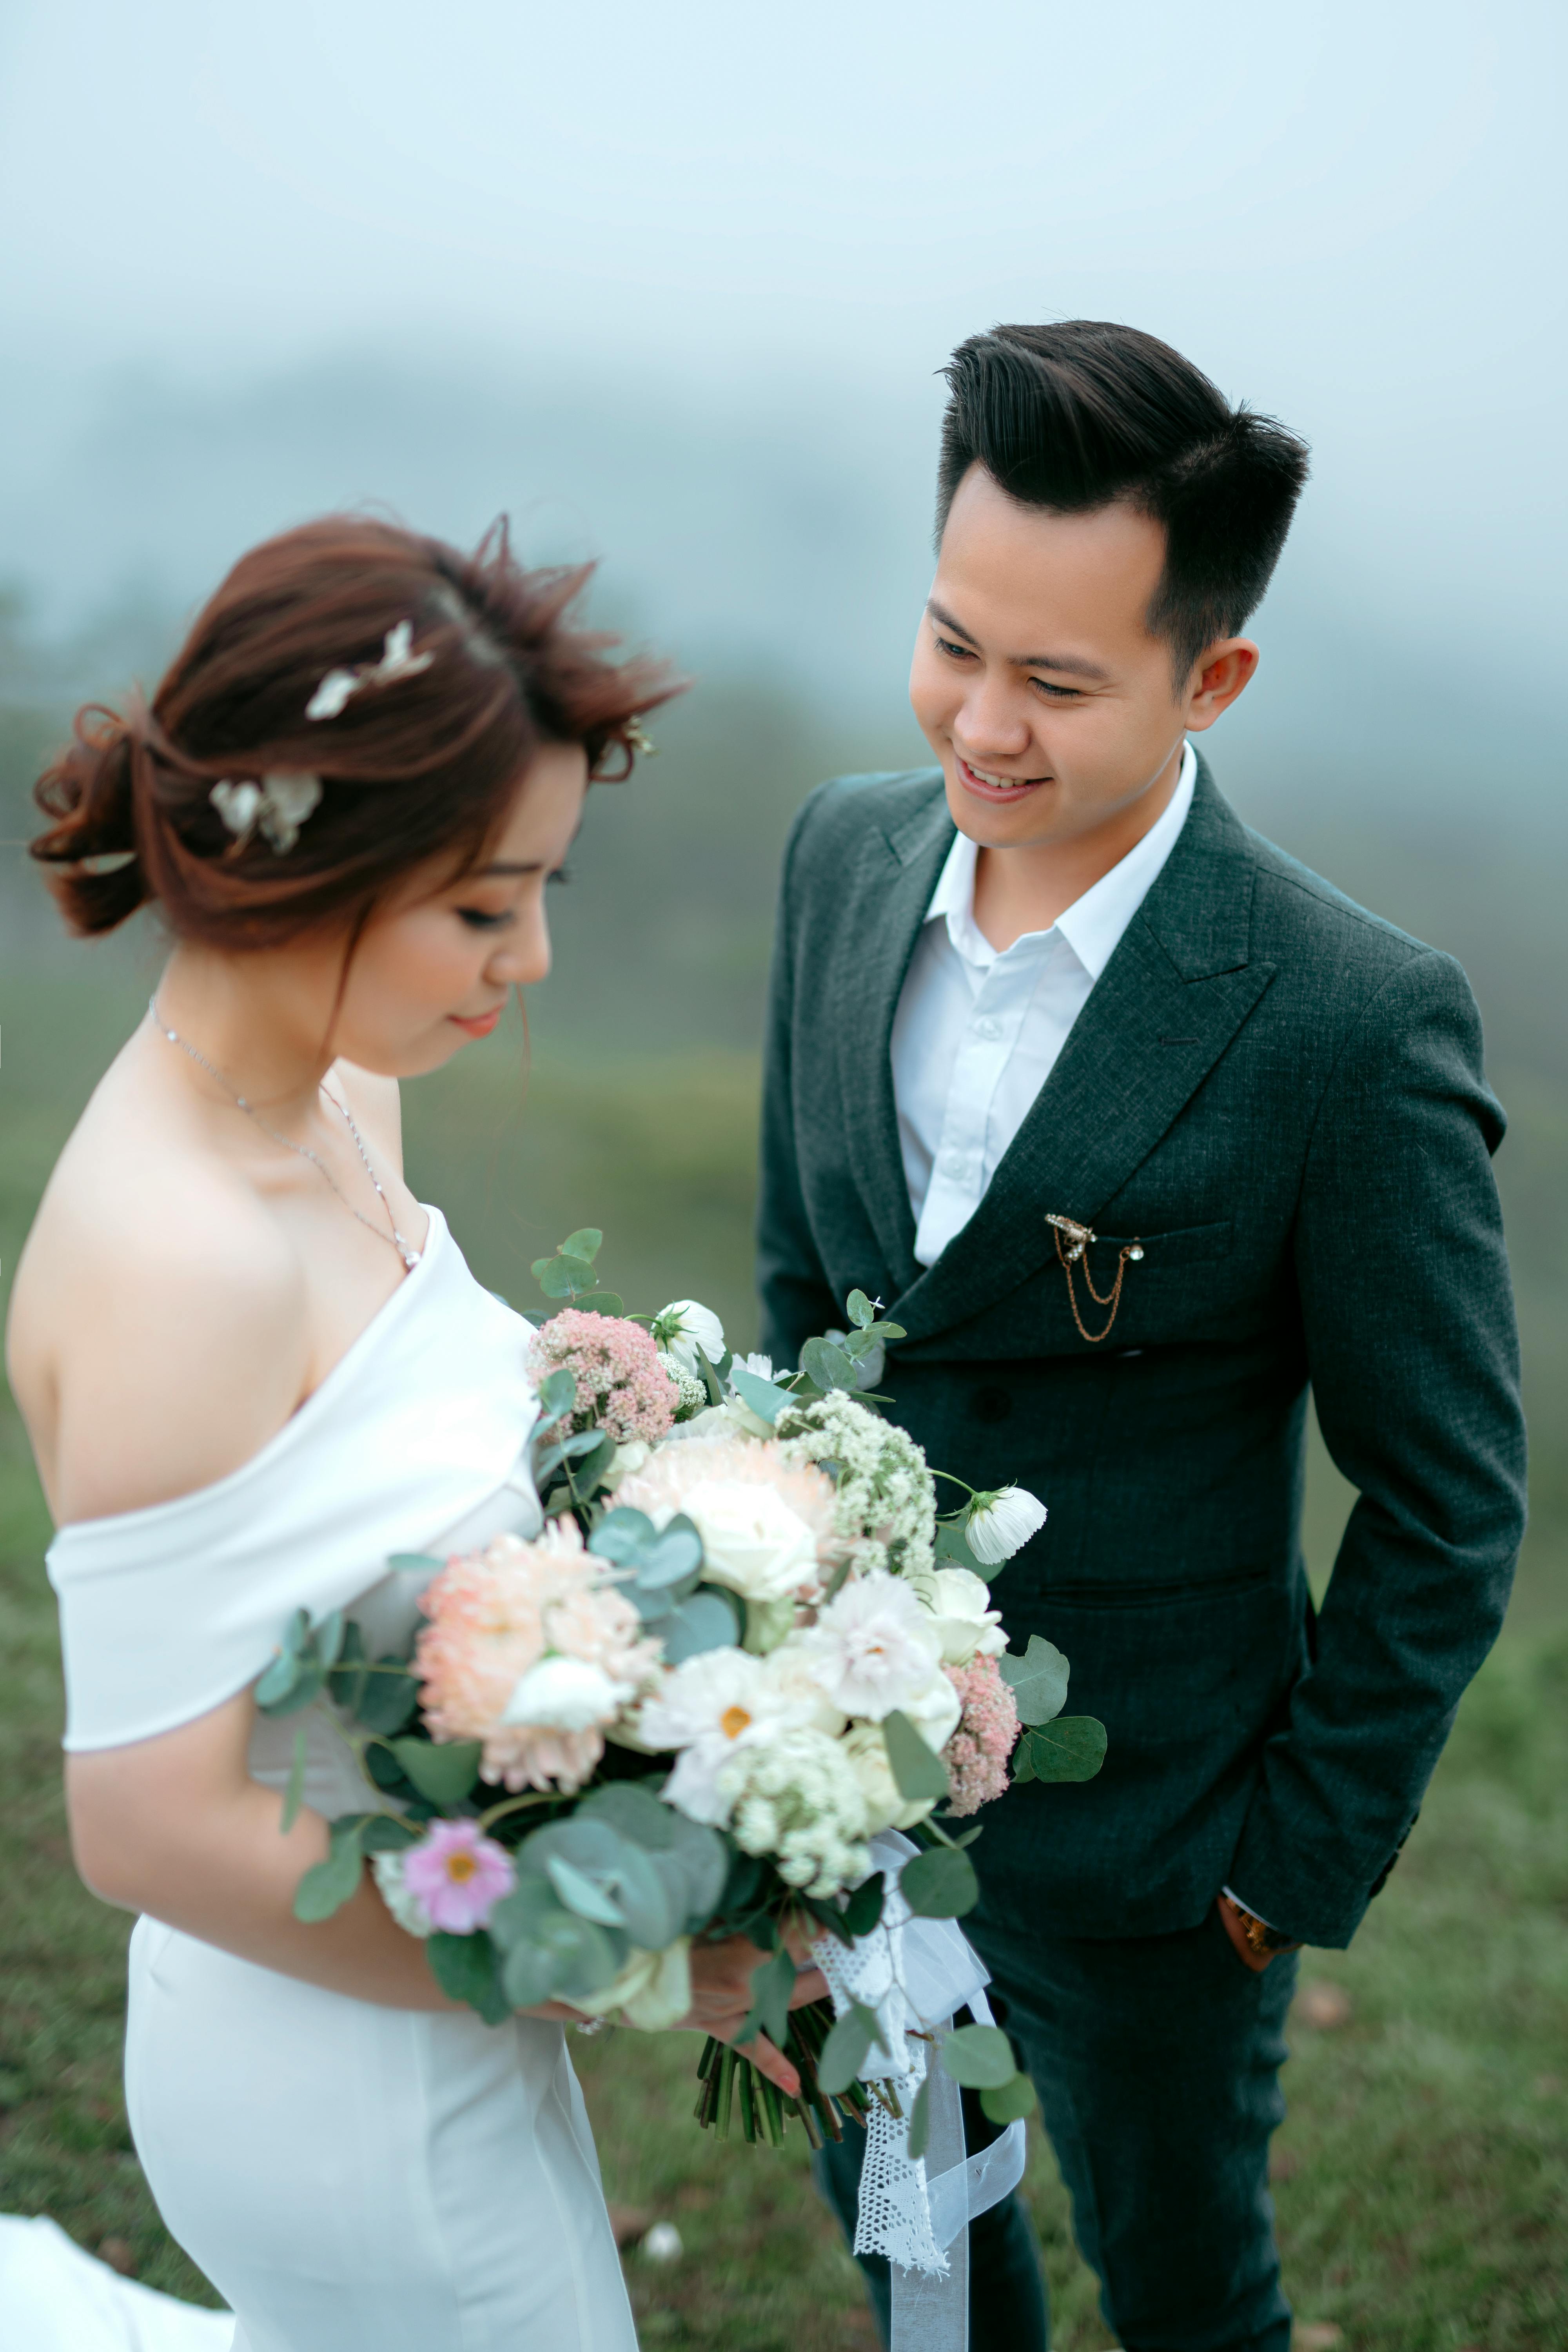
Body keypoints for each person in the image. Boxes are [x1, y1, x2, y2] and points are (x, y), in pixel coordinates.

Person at [757, 321, 1527, 2352]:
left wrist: (1283, 1869)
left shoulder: (1347, 1021)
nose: (980, 723)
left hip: (1169, 1856)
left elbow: (1451, 1504)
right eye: (952, 643)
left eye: (1058, 681)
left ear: (1213, 681)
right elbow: (798, 1302)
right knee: (917, 2253)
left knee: (1189, 2292)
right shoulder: (840, 858)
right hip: (843, 1792)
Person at [4, 515, 819, 2352]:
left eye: (544, 892)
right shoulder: (177, 1257)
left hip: (431, 2011)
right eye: (480, 905)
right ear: (305, 863)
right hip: (332, 2085)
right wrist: (609, 1955)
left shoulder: (341, 1086)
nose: (526, 959)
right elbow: (139, 1824)